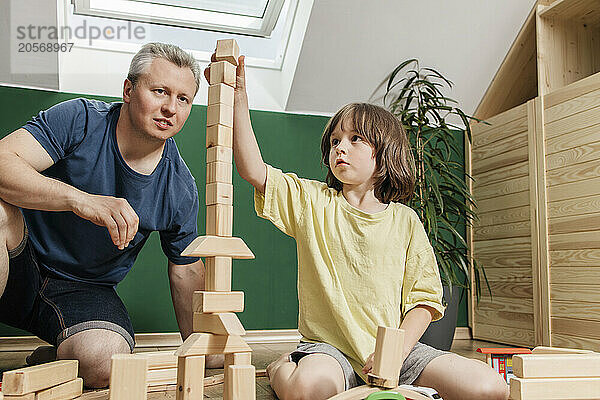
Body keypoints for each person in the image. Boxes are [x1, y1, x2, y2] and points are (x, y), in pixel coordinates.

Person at [205, 53, 509, 400]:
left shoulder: (405, 221)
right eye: (335, 140)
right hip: (329, 352)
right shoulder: (312, 201)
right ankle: (282, 367)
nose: (340, 148)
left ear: (384, 153)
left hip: (396, 356)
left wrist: (394, 354)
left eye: (354, 140)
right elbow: (253, 170)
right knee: (308, 390)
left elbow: (425, 301)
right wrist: (239, 98)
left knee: (490, 388)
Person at [0, 43, 219, 388]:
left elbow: (186, 268)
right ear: (129, 90)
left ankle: (62, 355)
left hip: (85, 290)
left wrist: (205, 345)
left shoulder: (180, 187)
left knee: (105, 362)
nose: (169, 108)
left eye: (183, 99)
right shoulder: (80, 118)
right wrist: (79, 200)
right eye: (160, 91)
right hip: (15, 261)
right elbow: (2, 162)